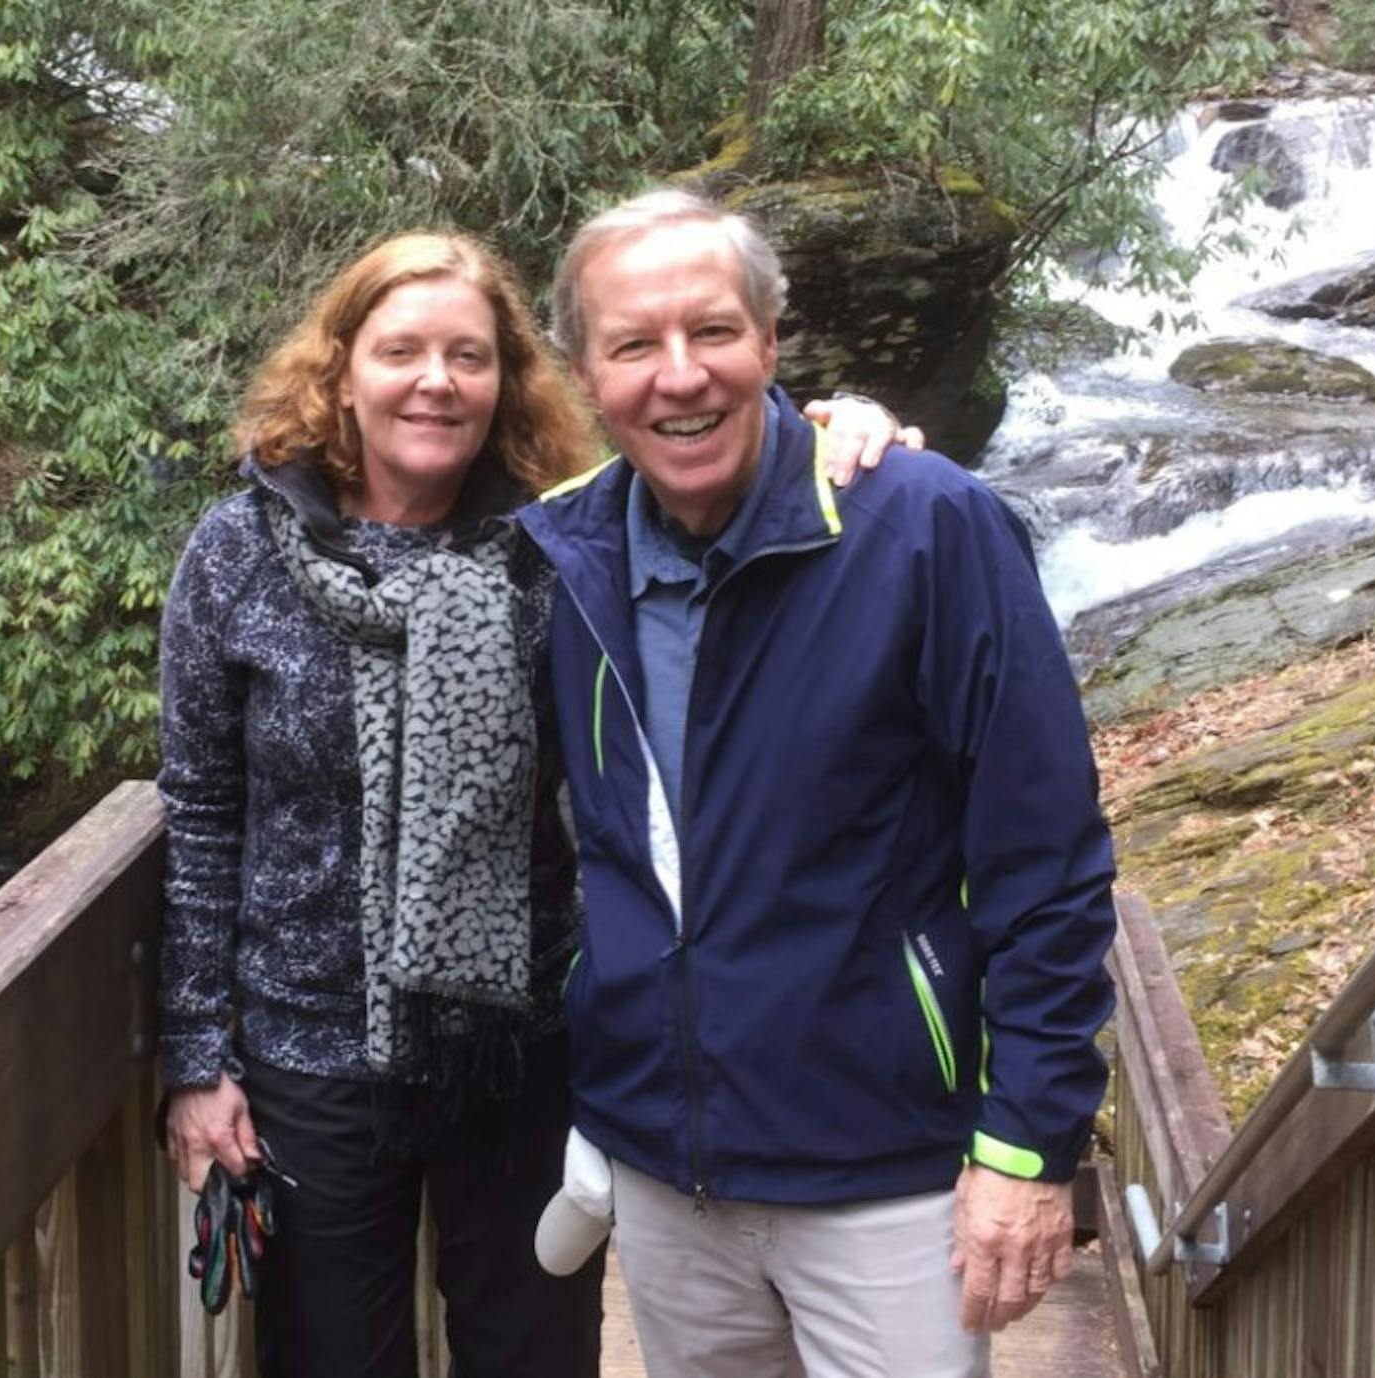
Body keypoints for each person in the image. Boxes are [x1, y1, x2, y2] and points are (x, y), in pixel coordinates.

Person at [154, 229, 910, 1378]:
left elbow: (726, 464)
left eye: (468, 354)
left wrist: (843, 429)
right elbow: (202, 808)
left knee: (533, 1356)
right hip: (306, 1051)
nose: (435, 380)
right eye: (401, 350)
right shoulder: (236, 551)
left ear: (505, 378)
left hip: (518, 1045)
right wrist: (194, 1055)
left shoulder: (571, 539)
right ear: (341, 369)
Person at [517, 189, 1118, 1378]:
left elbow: (1043, 855)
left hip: (881, 1167)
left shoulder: (921, 526)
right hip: (661, 1167)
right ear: (585, 374)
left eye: (713, 332)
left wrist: (1026, 1145)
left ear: (771, 342)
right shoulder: (561, 554)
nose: (678, 376)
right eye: (634, 345)